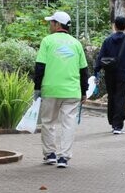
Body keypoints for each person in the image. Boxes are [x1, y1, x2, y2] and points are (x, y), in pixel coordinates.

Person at [34, 10, 88, 169]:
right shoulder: (77, 44)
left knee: (48, 122)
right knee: (68, 124)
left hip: (50, 89)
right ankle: (63, 157)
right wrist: (84, 91)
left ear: (57, 24)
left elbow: (40, 67)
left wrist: (37, 89)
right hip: (72, 91)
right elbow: (84, 70)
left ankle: (50, 154)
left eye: (51, 22)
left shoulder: (47, 41)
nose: (50, 25)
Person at [94, 16, 125, 134]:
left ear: (115, 26)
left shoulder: (107, 40)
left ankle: (112, 121)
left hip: (109, 73)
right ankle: (117, 125)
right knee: (120, 97)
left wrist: (96, 71)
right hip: (123, 74)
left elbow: (100, 57)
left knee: (112, 96)